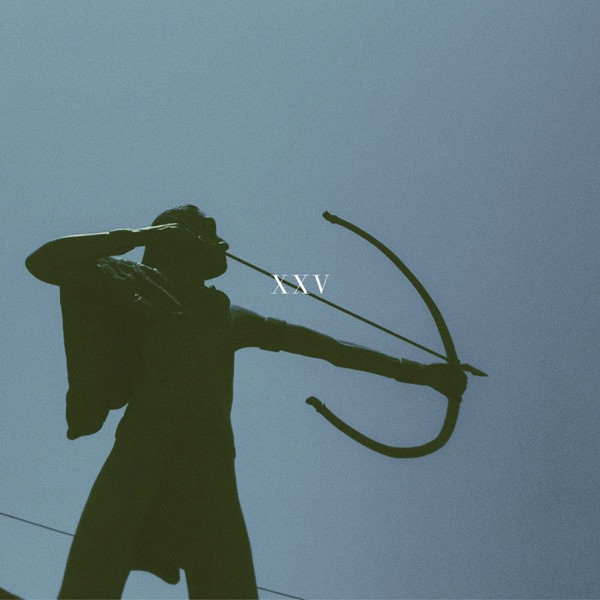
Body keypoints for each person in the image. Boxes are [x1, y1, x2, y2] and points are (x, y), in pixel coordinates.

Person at [26, 204, 467, 599]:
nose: (223, 243)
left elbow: (329, 348)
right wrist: (145, 235)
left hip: (211, 462)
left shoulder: (227, 317)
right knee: (94, 573)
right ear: (177, 237)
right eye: (209, 232)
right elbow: (45, 261)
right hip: (142, 449)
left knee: (229, 584)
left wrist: (422, 373)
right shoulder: (129, 281)